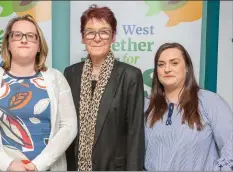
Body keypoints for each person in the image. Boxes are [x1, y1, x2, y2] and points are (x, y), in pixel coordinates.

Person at [0, 14, 77, 171]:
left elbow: (69, 126)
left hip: (47, 167)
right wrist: (8, 164)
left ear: (39, 45)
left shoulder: (56, 78)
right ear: (8, 43)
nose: (24, 40)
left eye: (31, 36)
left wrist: (37, 165)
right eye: (17, 35)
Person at [64, 4, 145, 171]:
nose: (97, 38)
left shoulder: (130, 75)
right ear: (83, 37)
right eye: (90, 32)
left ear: (113, 36)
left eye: (104, 32)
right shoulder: (71, 73)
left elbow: (135, 134)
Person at [144, 42, 233, 171]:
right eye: (161, 64)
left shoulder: (210, 102)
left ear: (187, 67)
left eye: (174, 63)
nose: (167, 69)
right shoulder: (146, 106)